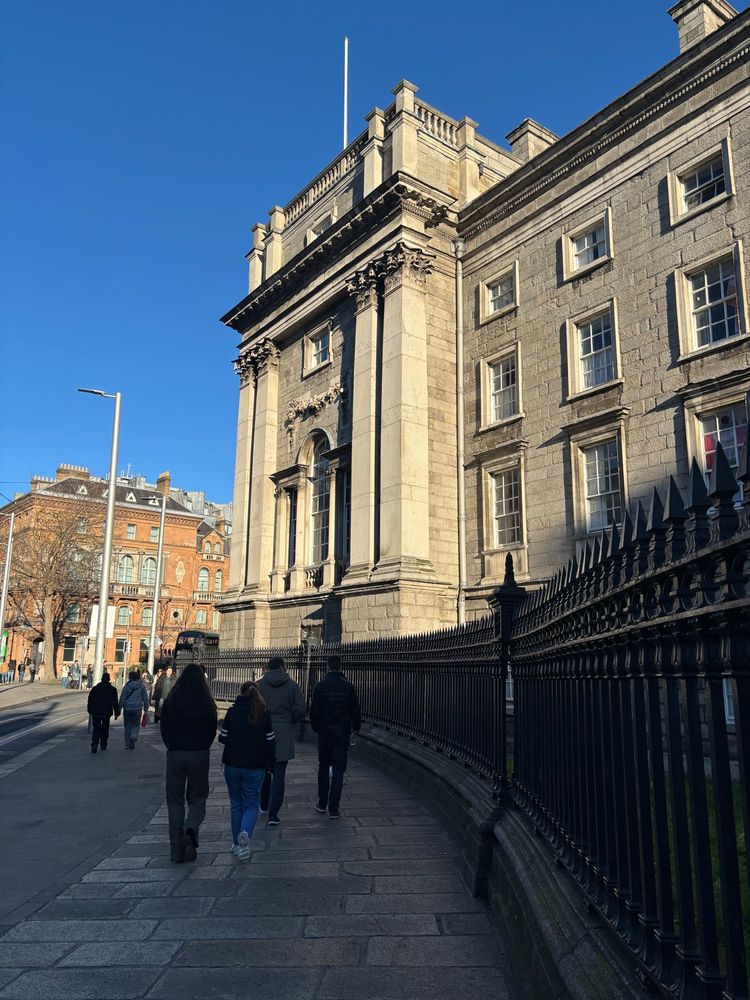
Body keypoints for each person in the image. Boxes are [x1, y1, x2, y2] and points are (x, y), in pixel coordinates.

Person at [159, 663, 218, 864]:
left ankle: (177, 853)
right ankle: (191, 828)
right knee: (198, 798)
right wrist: (203, 746)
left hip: (175, 753)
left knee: (174, 802)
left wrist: (171, 745)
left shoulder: (172, 700)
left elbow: (164, 727)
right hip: (199, 754)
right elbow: (212, 728)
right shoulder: (207, 702)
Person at [219, 682, 275, 860]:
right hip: (256, 765)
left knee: (236, 804)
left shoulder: (232, 712)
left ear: (241, 693)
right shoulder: (264, 714)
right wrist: (271, 765)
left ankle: (236, 843)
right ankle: (245, 833)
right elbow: (270, 742)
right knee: (251, 804)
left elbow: (223, 737)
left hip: (233, 764)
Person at [309, 655, 361, 819]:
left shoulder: (320, 686)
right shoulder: (348, 686)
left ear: (327, 667)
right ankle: (334, 808)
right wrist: (356, 728)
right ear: (340, 667)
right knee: (338, 769)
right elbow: (355, 710)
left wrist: (316, 727)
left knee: (324, 766)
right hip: (341, 732)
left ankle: (322, 803)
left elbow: (314, 710)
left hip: (324, 732)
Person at [257, 656, 305, 827]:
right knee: (279, 775)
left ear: (269, 667)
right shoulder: (292, 685)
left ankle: (263, 804)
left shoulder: (259, 685)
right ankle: (273, 814)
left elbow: (252, 708)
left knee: (264, 771)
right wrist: (289, 719)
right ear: (283, 667)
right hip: (283, 732)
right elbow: (301, 709)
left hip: (263, 734)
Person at [87, 672, 120, 753]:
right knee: (105, 728)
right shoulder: (112, 690)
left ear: (101, 679)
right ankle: (103, 744)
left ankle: (95, 743)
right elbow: (115, 702)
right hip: (106, 712)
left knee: (96, 728)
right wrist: (117, 713)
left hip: (96, 712)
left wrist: (90, 710)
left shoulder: (95, 689)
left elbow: (90, 700)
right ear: (109, 680)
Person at [118, 670, 149, 749]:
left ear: (130, 677)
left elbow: (122, 698)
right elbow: (145, 698)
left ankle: (127, 743)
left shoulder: (126, 686)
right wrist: (146, 708)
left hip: (127, 708)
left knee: (127, 725)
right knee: (136, 724)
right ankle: (134, 735)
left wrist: (119, 709)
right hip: (137, 708)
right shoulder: (141, 686)